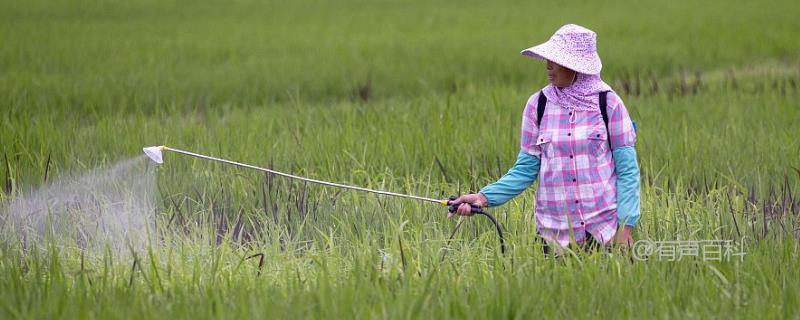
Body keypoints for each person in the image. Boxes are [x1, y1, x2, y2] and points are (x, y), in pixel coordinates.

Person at [449, 24, 641, 251]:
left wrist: (625, 229)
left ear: (577, 65)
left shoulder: (608, 104)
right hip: (553, 236)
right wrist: (483, 197)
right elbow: (525, 170)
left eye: (556, 59)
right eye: (548, 58)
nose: (548, 66)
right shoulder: (537, 105)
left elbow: (628, 171)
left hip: (603, 231)